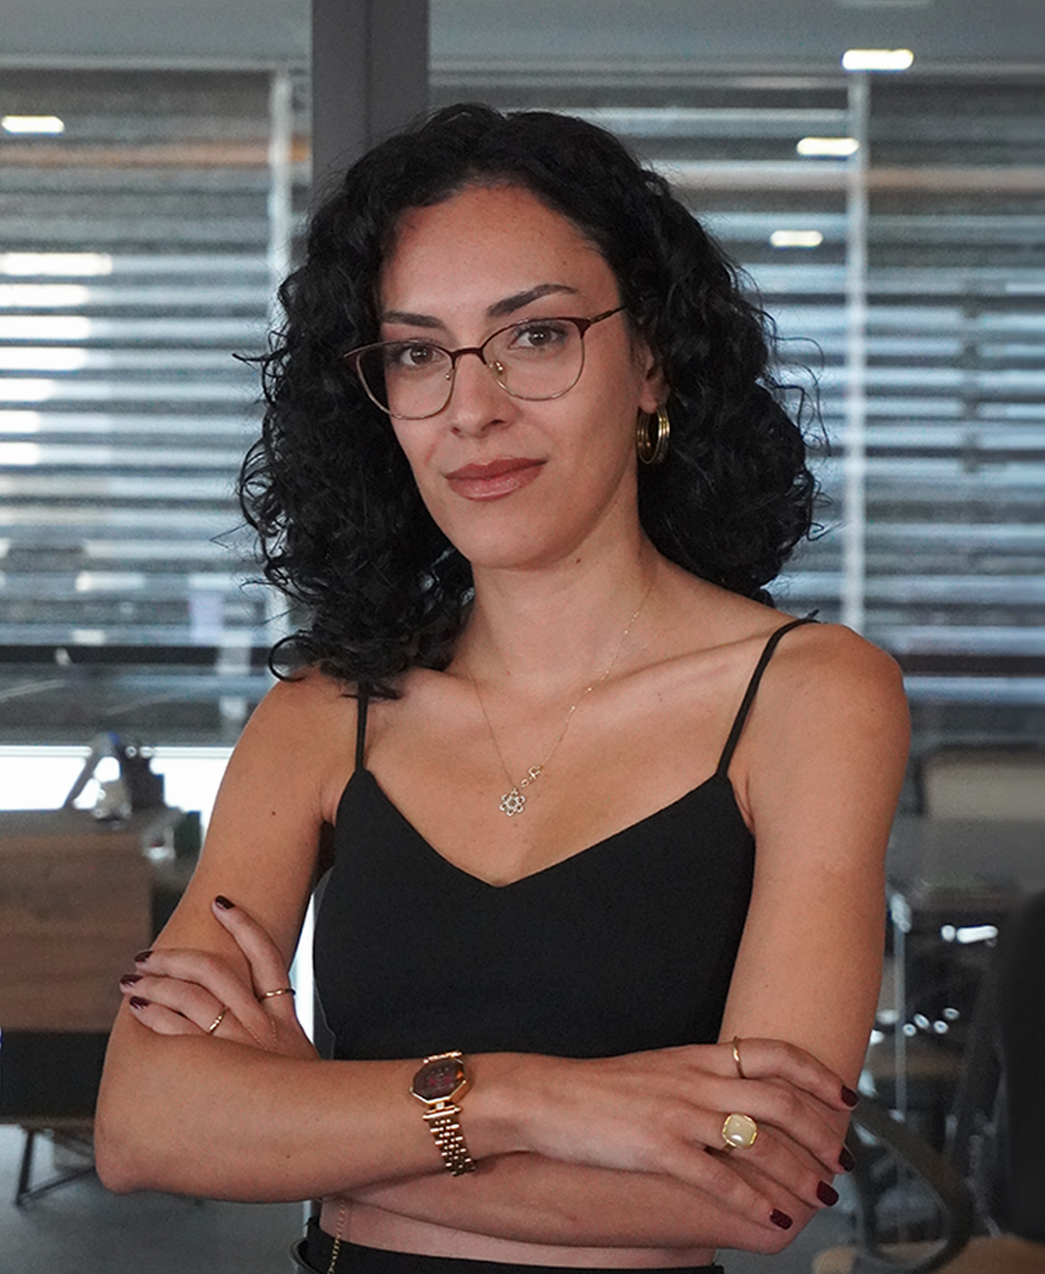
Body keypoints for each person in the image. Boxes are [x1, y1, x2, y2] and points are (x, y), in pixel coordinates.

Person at [95, 103, 910, 1273]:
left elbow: (754, 1182)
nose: (472, 409)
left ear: (651, 359)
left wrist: (305, 1119)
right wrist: (524, 1100)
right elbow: (141, 1125)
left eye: (535, 335)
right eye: (416, 353)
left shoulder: (810, 695)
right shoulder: (322, 714)